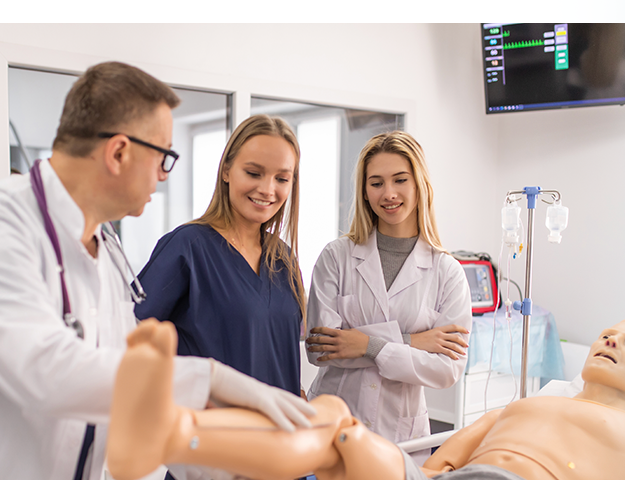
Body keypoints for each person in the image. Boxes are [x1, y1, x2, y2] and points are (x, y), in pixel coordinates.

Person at [0, 61, 314, 480]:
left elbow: (127, 377)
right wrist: (209, 378)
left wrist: (210, 463)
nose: (164, 178)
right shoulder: (10, 222)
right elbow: (45, 371)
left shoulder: (106, 251)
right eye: (164, 157)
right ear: (119, 152)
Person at [106, 319, 625, 480]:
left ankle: (167, 434)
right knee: (336, 419)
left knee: (340, 436)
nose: (609, 341)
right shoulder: (531, 403)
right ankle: (165, 434)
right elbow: (446, 457)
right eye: (605, 334)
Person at [303, 131, 472, 444]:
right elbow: (320, 350)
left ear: (419, 185)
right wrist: (414, 341)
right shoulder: (336, 256)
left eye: (400, 180)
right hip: (332, 423)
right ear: (365, 191)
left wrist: (369, 345)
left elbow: (446, 370)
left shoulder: (447, 272)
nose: (389, 193)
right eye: (376, 182)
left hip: (400, 434)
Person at [134, 114, 307, 398]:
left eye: (282, 178)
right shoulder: (187, 247)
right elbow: (131, 341)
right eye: (253, 173)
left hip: (281, 434)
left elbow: (277, 353)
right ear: (226, 171)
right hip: (211, 433)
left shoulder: (283, 259)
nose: (267, 189)